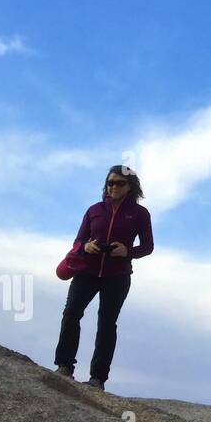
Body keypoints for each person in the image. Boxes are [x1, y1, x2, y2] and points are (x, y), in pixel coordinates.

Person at [53, 165, 154, 390]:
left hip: (117, 276)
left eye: (119, 183)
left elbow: (148, 247)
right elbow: (78, 241)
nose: (113, 187)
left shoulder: (139, 214)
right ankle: (64, 366)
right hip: (87, 271)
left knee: (107, 324)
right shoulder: (94, 210)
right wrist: (86, 246)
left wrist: (127, 251)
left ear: (130, 186)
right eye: (110, 183)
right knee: (71, 314)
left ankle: (97, 378)